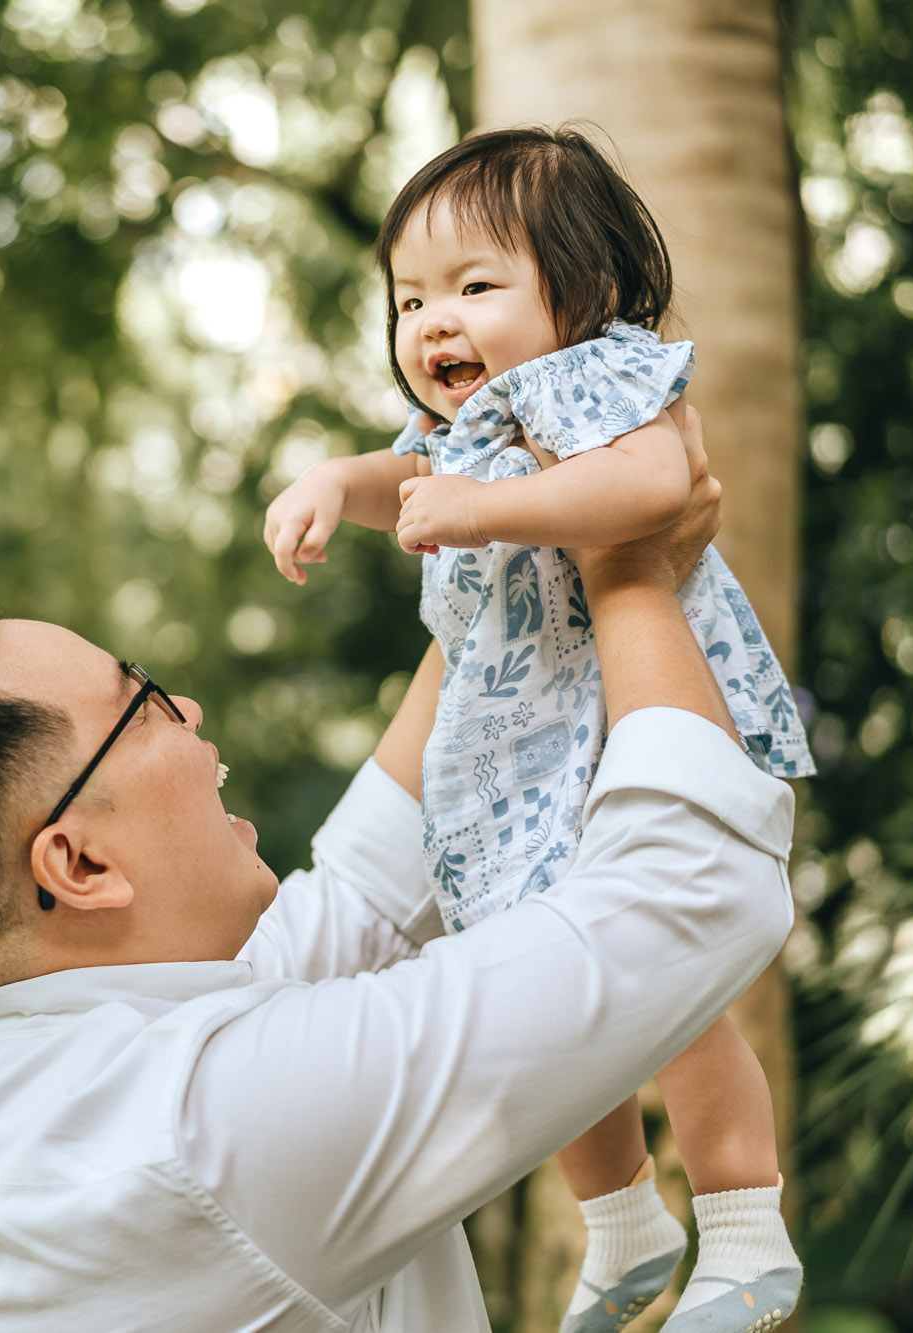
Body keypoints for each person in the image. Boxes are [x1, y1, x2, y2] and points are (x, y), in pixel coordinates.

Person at [0, 417, 798, 1331]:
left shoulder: (44, 1064)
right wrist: (629, 573)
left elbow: (370, 890)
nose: (185, 710)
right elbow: (688, 894)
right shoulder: (194, 1131)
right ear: (80, 862)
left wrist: (524, 547)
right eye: (138, 705)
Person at [262, 126, 813, 1332]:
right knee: (551, 1008)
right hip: (514, 763)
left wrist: (486, 510)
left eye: (472, 285)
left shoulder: (588, 378)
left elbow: (648, 487)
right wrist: (326, 488)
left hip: (629, 732)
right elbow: (391, 478)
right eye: (409, 299)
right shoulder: (458, 435)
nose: (430, 324)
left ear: (589, 291)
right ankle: (621, 1224)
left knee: (676, 1006)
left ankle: (742, 1226)